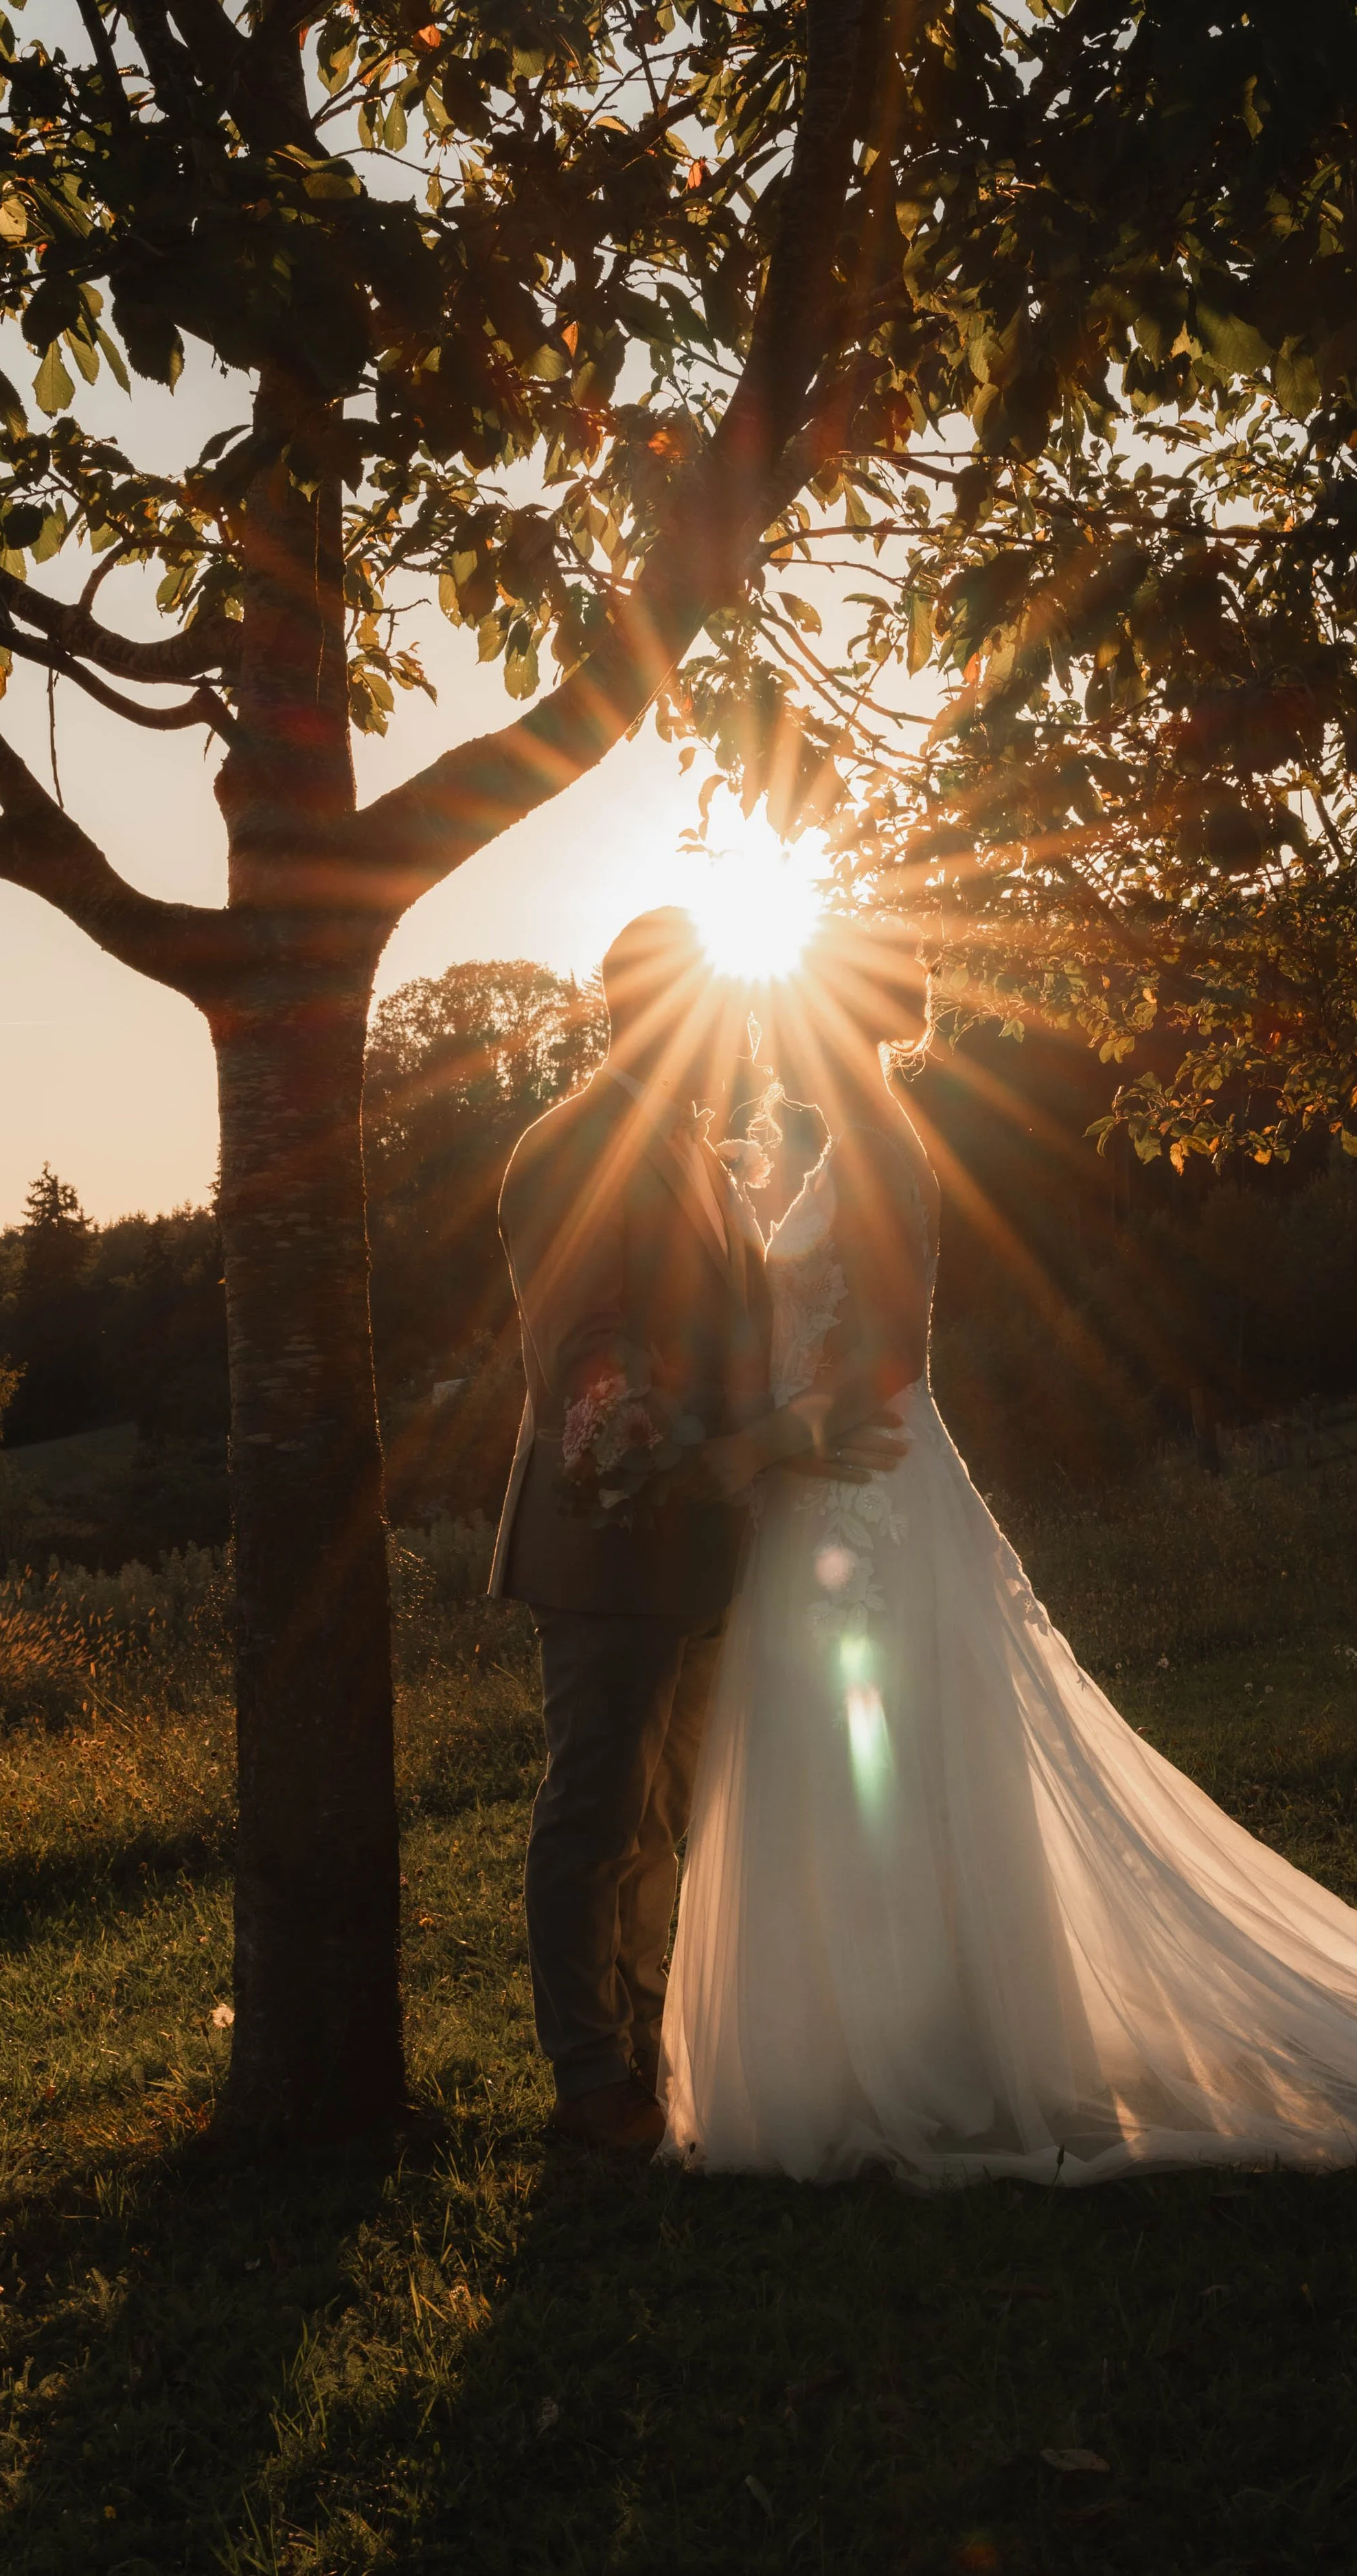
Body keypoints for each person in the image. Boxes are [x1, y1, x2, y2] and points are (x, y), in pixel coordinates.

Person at [659, 915, 1357, 2184]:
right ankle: (873, 2032)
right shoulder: (846, 1143)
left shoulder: (873, 1148)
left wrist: (765, 1445)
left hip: (861, 1489)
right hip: (833, 1496)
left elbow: (889, 1350)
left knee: (897, 1761)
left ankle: (922, 2049)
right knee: (873, 1764)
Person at [489, 907, 903, 2151]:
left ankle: (652, 2042)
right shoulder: (571, 1146)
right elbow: (588, 1353)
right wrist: (714, 1454)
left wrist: (798, 1427)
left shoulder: (699, 1152)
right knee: (596, 1812)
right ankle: (588, 2081)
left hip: (704, 1547)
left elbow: (725, 1341)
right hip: (612, 1538)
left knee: (663, 1817)